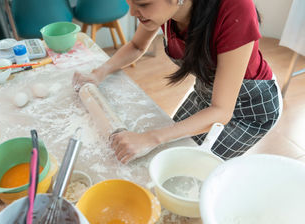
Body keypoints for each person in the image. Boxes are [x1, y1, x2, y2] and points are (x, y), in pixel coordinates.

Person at [73, 0, 282, 164]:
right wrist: (99, 73)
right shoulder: (163, 13)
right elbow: (137, 46)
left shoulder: (235, 9)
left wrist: (150, 137)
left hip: (249, 110)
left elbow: (221, 111)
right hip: (206, 93)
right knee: (169, 152)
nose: (133, 13)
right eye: (130, 3)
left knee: (190, 168)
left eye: (143, 4)